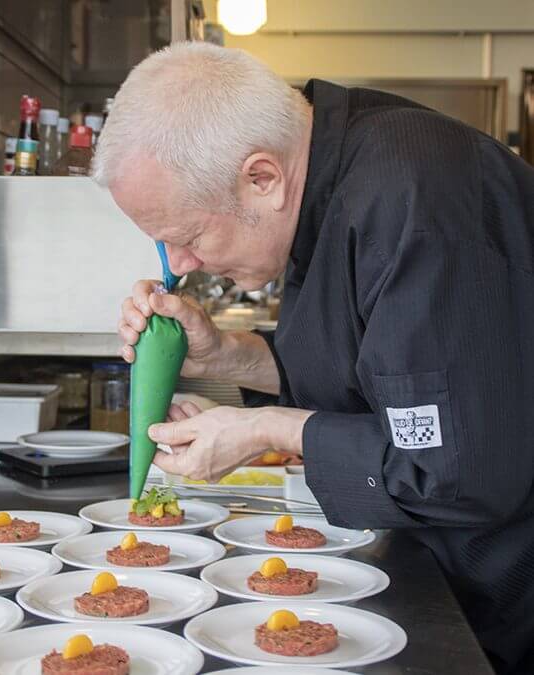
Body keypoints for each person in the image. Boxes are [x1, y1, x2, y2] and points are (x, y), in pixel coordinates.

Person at [92, 42, 534, 674]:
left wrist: (264, 428)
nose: (180, 267)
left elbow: (453, 470)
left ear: (262, 177)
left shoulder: (415, 203)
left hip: (509, 596)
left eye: (187, 238)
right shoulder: (332, 176)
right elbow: (373, 372)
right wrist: (223, 355)